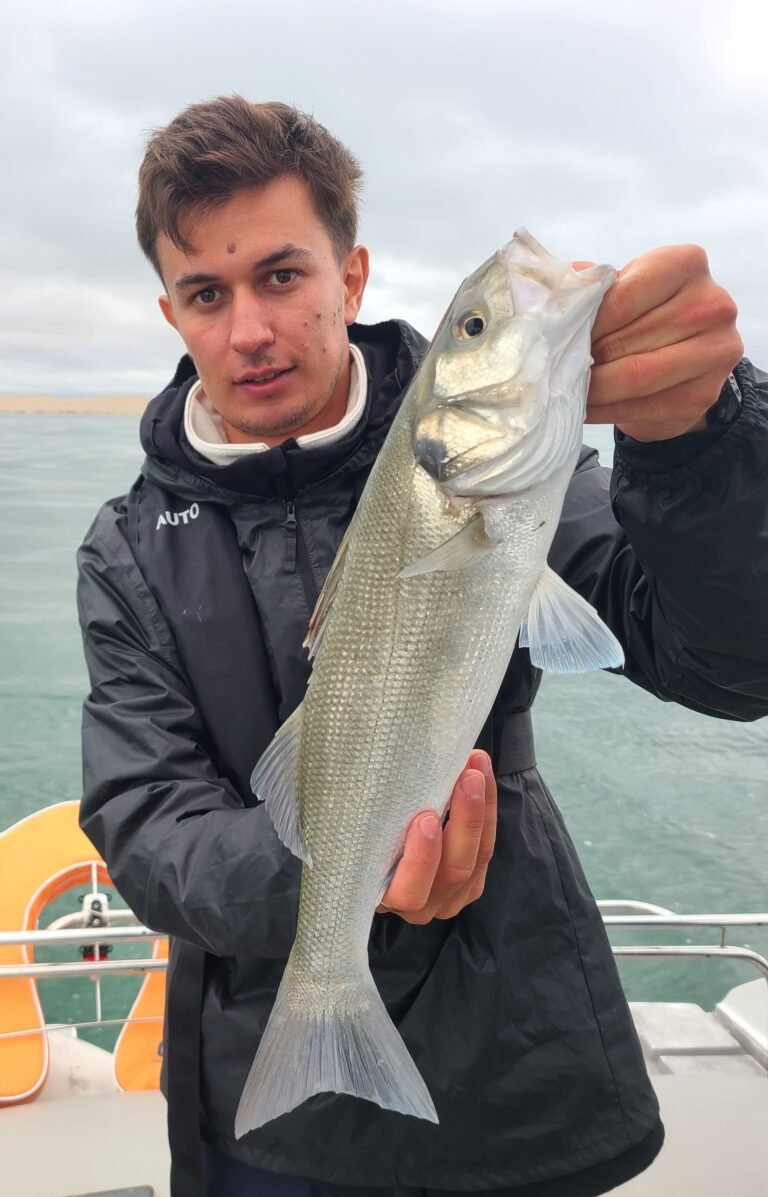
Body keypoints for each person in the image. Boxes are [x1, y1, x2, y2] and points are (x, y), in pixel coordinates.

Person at [77, 97, 767, 1197]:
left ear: (351, 279)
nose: (249, 327)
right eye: (209, 293)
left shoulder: (500, 470)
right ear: (173, 313)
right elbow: (145, 816)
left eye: (283, 274)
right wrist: (336, 882)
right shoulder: (128, 547)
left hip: (515, 1072)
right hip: (262, 1090)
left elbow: (730, 664)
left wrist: (699, 449)